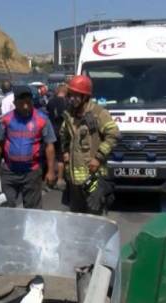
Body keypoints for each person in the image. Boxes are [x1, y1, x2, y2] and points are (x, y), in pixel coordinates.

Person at [59, 75, 119, 215]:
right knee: (77, 224)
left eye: (76, 95)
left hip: (94, 181)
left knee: (96, 224)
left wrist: (98, 157)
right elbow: (64, 136)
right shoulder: (69, 115)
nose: (72, 98)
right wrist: (66, 153)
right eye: (70, 95)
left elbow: (114, 134)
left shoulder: (99, 114)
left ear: (85, 96)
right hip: (74, 183)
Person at [0, 86, 56, 209]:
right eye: (22, 103)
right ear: (15, 103)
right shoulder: (7, 119)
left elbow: (50, 145)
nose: (26, 107)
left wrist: (51, 170)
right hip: (10, 171)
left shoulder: (42, 119)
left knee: (32, 210)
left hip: (31, 172)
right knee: (5, 206)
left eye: (28, 102)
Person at [46, 83, 69, 190]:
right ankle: (60, 179)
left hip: (51, 131)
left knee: (50, 154)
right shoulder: (68, 103)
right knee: (61, 156)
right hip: (62, 132)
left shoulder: (50, 102)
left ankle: (50, 177)